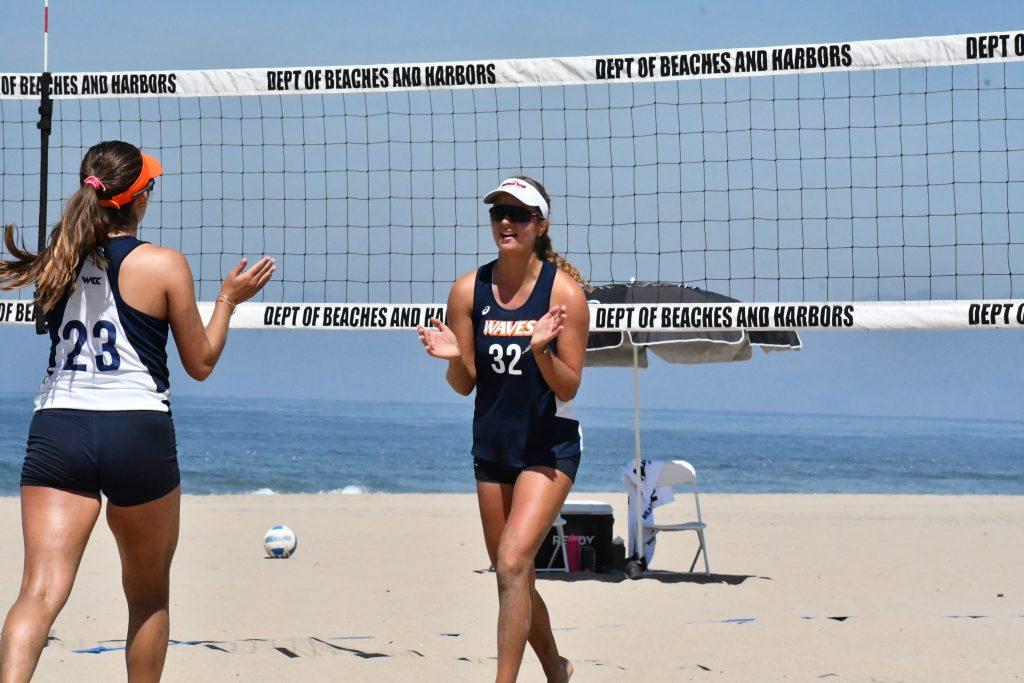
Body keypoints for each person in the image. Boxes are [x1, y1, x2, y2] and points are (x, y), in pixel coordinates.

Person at [0, 140, 274, 682]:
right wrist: (227, 301)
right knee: (147, 598)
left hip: (60, 427)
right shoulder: (164, 264)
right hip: (137, 429)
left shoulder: (56, 258)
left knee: (39, 592)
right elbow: (200, 362)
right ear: (139, 198)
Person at [418, 176, 590, 683]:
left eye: (517, 214)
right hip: (492, 445)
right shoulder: (468, 289)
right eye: (498, 213)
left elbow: (569, 388)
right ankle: (556, 668)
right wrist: (452, 358)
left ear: (541, 224)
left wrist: (540, 350)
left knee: (514, 561)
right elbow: (464, 383)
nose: (506, 223)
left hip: (547, 446)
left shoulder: (564, 295)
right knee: (511, 573)